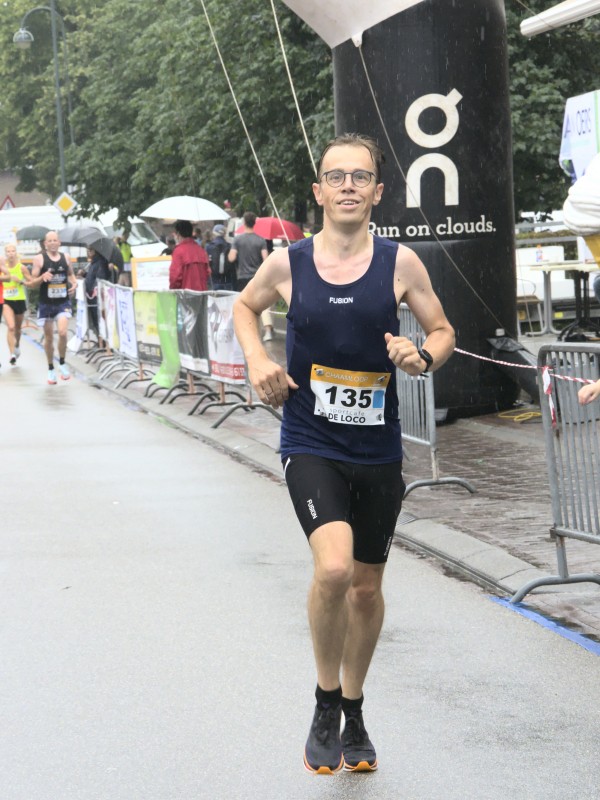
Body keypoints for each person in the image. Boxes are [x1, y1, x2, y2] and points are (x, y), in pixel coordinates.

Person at [233, 133, 455, 775]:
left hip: (377, 448)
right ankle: (325, 700)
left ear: (378, 192)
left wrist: (420, 357)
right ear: (319, 191)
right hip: (311, 440)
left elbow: (443, 331)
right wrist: (257, 358)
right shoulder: (288, 264)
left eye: (360, 177)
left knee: (365, 588)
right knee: (333, 570)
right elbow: (244, 307)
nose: (349, 186)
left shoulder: (400, 264)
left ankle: (354, 709)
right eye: (337, 177)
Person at [29, 230, 77, 384]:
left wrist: (74, 283)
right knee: (49, 338)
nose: (52, 243)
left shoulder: (66, 257)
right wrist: (42, 277)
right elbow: (32, 283)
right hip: (46, 304)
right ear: (45, 244)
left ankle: (62, 363)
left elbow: (70, 274)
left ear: (59, 242)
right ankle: (50, 368)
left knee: (62, 333)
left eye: (55, 240)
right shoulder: (39, 259)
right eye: (49, 241)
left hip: (62, 303)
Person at [229, 212, 273, 341]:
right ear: (254, 223)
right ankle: (267, 330)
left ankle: (248, 332)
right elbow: (266, 259)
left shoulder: (237, 240)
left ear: (244, 223)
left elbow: (231, 258)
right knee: (262, 303)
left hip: (242, 277)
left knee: (245, 305)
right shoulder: (260, 240)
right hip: (257, 277)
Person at [0, 244, 31, 365]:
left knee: (17, 329)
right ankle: (12, 354)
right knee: (11, 327)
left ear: (16, 253)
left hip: (19, 300)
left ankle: (17, 344)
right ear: (5, 253)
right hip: (6, 300)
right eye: (8, 251)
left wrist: (21, 281)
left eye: (13, 251)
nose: (11, 253)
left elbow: (31, 282)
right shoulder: (3, 267)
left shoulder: (21, 267)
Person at [169, 219, 211, 291]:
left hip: (186, 294)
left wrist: (173, 290)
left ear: (178, 234)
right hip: (202, 293)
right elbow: (208, 272)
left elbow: (175, 277)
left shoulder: (178, 251)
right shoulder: (201, 250)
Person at [205, 224, 235, 291]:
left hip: (214, 280)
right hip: (227, 280)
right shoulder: (230, 246)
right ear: (224, 234)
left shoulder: (209, 247)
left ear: (214, 233)